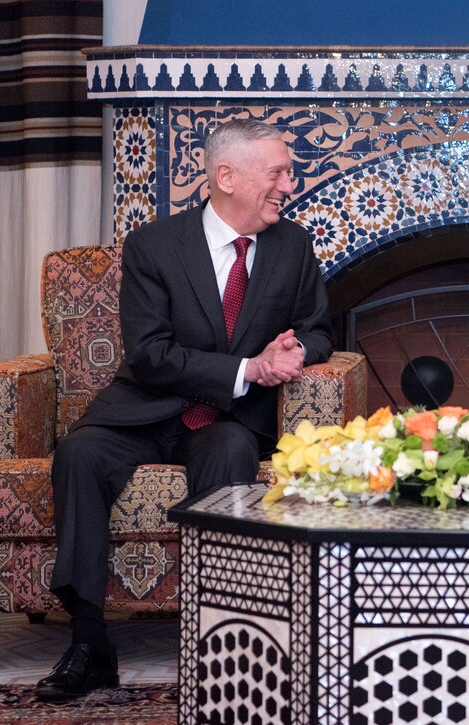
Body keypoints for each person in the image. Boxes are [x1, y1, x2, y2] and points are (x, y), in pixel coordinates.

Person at [35, 119, 333, 701]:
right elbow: (149, 354)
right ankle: (90, 641)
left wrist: (292, 350)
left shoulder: (293, 246)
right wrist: (248, 368)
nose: (288, 183)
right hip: (146, 408)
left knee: (228, 448)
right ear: (226, 176)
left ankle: (225, 635)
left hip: (226, 419)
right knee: (79, 452)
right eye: (277, 171)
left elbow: (320, 328)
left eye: (287, 171)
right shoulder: (154, 246)